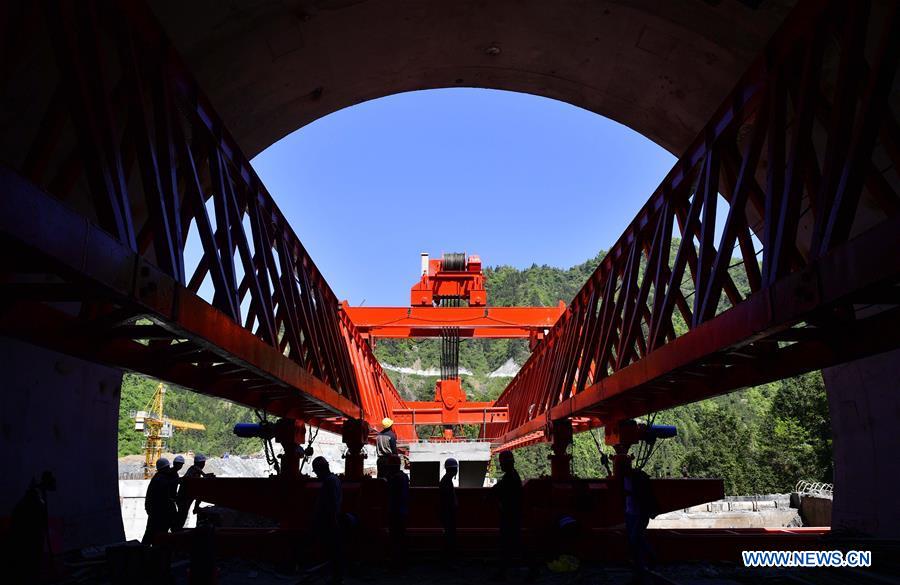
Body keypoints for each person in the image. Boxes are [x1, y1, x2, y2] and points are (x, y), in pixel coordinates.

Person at [8, 470, 56, 583]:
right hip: (28, 537)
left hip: (29, 536)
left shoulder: (37, 496)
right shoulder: (35, 498)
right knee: (31, 564)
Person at [491, 450, 522, 580]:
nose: (501, 465)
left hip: (509, 517)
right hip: (513, 516)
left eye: (502, 463)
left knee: (506, 544)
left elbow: (499, 490)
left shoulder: (509, 478)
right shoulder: (514, 476)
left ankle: (502, 573)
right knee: (514, 543)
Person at [311, 456, 343, 584]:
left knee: (333, 550)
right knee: (334, 550)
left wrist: (332, 519)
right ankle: (335, 576)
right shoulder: (334, 480)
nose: (316, 475)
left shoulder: (329, 482)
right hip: (332, 520)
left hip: (330, 521)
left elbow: (332, 503)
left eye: (316, 472)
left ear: (320, 470)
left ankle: (336, 577)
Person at [623, 466, 657, 580]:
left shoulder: (633, 480)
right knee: (637, 539)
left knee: (635, 539)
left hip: (636, 514)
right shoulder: (638, 480)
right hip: (635, 514)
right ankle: (644, 563)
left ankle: (644, 563)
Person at [143, 458, 178, 545]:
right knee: (155, 533)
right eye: (168, 467)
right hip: (158, 512)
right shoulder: (160, 479)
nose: (169, 468)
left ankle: (145, 549)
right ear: (164, 468)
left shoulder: (158, 478)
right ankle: (147, 549)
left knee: (151, 532)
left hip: (154, 511)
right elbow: (165, 496)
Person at [385, 454, 409, 568]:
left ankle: (396, 561)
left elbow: (391, 494)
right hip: (402, 511)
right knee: (401, 537)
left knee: (395, 538)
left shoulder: (394, 479)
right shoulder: (404, 477)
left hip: (395, 512)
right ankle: (401, 561)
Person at [175, 453, 210, 529]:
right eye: (203, 462)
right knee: (181, 517)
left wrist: (196, 506)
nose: (204, 464)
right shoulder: (193, 470)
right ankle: (176, 530)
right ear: (200, 463)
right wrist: (204, 475)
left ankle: (177, 529)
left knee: (182, 517)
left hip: (184, 498)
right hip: (183, 498)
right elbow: (195, 468)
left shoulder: (194, 472)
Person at [439, 458, 459, 556]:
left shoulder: (445, 481)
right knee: (449, 536)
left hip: (447, 513)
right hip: (448, 514)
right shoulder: (447, 482)